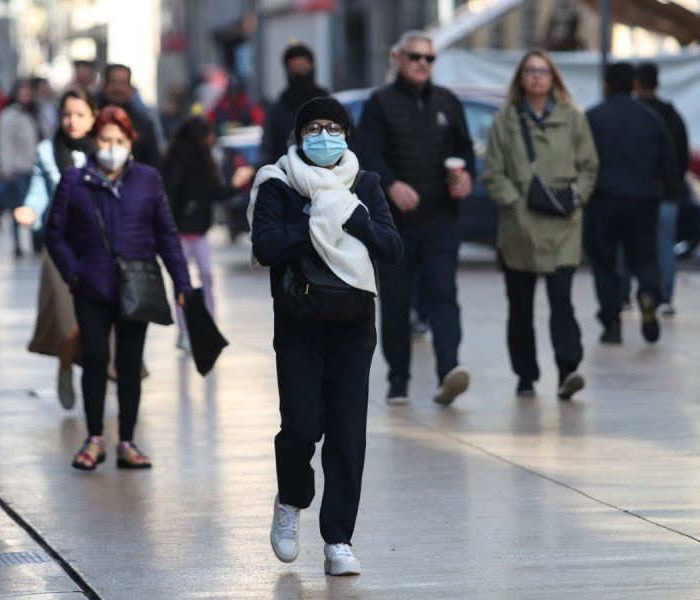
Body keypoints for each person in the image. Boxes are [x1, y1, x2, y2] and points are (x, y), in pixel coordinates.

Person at [249, 97, 402, 575]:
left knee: (346, 431)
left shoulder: (366, 185)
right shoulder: (277, 183)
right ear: (298, 136)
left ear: (347, 135)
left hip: (353, 323)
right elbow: (265, 245)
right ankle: (291, 500)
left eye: (334, 127)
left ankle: (339, 538)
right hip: (298, 321)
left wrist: (351, 217)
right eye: (314, 127)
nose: (324, 135)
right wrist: (318, 225)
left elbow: (392, 248)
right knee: (300, 427)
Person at [46, 106, 191, 471]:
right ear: (94, 141)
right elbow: (55, 233)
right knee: (94, 359)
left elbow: (166, 235)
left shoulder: (147, 180)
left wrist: (182, 282)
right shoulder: (74, 180)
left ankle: (126, 440)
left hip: (136, 285)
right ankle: (94, 438)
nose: (112, 146)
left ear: (131, 142)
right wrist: (74, 272)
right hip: (91, 284)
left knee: (129, 364)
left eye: (120, 140)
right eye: (106, 139)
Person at [356, 30, 474, 406]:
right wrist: (390, 185)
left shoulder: (448, 102)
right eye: (415, 57)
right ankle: (398, 380)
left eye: (429, 58)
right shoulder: (380, 103)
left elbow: (464, 150)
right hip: (395, 228)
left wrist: (465, 176)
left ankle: (449, 371)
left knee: (443, 295)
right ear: (397, 58)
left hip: (442, 219)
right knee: (395, 304)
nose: (423, 64)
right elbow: (366, 156)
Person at [483, 50, 598, 399]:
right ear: (520, 78)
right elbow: (493, 173)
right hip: (519, 227)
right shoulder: (505, 121)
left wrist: (576, 197)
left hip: (563, 224)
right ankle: (525, 375)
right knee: (520, 306)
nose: (536, 77)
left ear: (553, 78)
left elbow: (589, 166)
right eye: (530, 71)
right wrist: (515, 203)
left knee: (561, 299)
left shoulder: (573, 119)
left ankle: (568, 369)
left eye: (543, 71)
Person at [15, 88, 96, 409]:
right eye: (67, 115)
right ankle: (65, 368)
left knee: (98, 322)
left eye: (80, 115)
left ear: (93, 117)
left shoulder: (105, 146)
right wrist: (31, 211)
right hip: (61, 246)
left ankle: (96, 378)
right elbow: (39, 190)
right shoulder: (48, 151)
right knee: (67, 322)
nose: (72, 121)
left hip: (98, 247)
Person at [585, 63, 678, 345]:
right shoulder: (651, 118)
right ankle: (649, 293)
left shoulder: (593, 117)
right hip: (643, 201)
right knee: (644, 257)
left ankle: (612, 322)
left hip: (603, 200)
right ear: (634, 84)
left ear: (606, 85)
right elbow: (668, 162)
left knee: (604, 262)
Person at [160, 116, 253, 351]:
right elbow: (170, 195)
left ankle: (206, 327)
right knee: (185, 283)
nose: (212, 139)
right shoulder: (178, 162)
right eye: (208, 134)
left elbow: (215, 192)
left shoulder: (205, 161)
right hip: (181, 233)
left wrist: (236, 184)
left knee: (206, 277)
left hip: (198, 232)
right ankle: (185, 331)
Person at [618, 63, 688, 316]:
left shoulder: (632, 115)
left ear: (636, 84)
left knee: (625, 243)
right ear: (657, 83)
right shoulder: (671, 116)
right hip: (666, 193)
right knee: (664, 247)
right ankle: (664, 297)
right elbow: (681, 155)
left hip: (635, 192)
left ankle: (622, 296)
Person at [258, 43, 329, 167]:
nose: (301, 73)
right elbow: (267, 153)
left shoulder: (330, 106)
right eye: (295, 69)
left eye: (303, 67)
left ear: (312, 67)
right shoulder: (277, 113)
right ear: (287, 72)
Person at [0, 78, 43, 258]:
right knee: (18, 209)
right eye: (22, 92)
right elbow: (5, 143)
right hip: (18, 170)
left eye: (28, 92)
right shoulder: (8, 116)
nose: (26, 96)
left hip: (36, 168)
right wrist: (6, 169)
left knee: (36, 209)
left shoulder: (36, 114)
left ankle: (36, 241)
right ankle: (18, 245)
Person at [98, 64, 161, 168]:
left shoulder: (143, 124)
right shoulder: (91, 118)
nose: (118, 88)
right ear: (104, 85)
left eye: (123, 83)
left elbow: (153, 162)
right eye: (113, 82)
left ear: (130, 88)